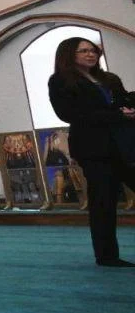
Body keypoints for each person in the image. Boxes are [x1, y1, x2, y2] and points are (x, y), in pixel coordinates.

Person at [47, 37, 135, 267]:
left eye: (93, 50)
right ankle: (107, 255)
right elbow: (69, 114)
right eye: (84, 51)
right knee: (103, 202)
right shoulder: (60, 81)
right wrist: (116, 115)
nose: (91, 54)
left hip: (123, 144)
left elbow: (122, 100)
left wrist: (129, 106)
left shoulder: (109, 79)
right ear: (69, 55)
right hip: (93, 148)